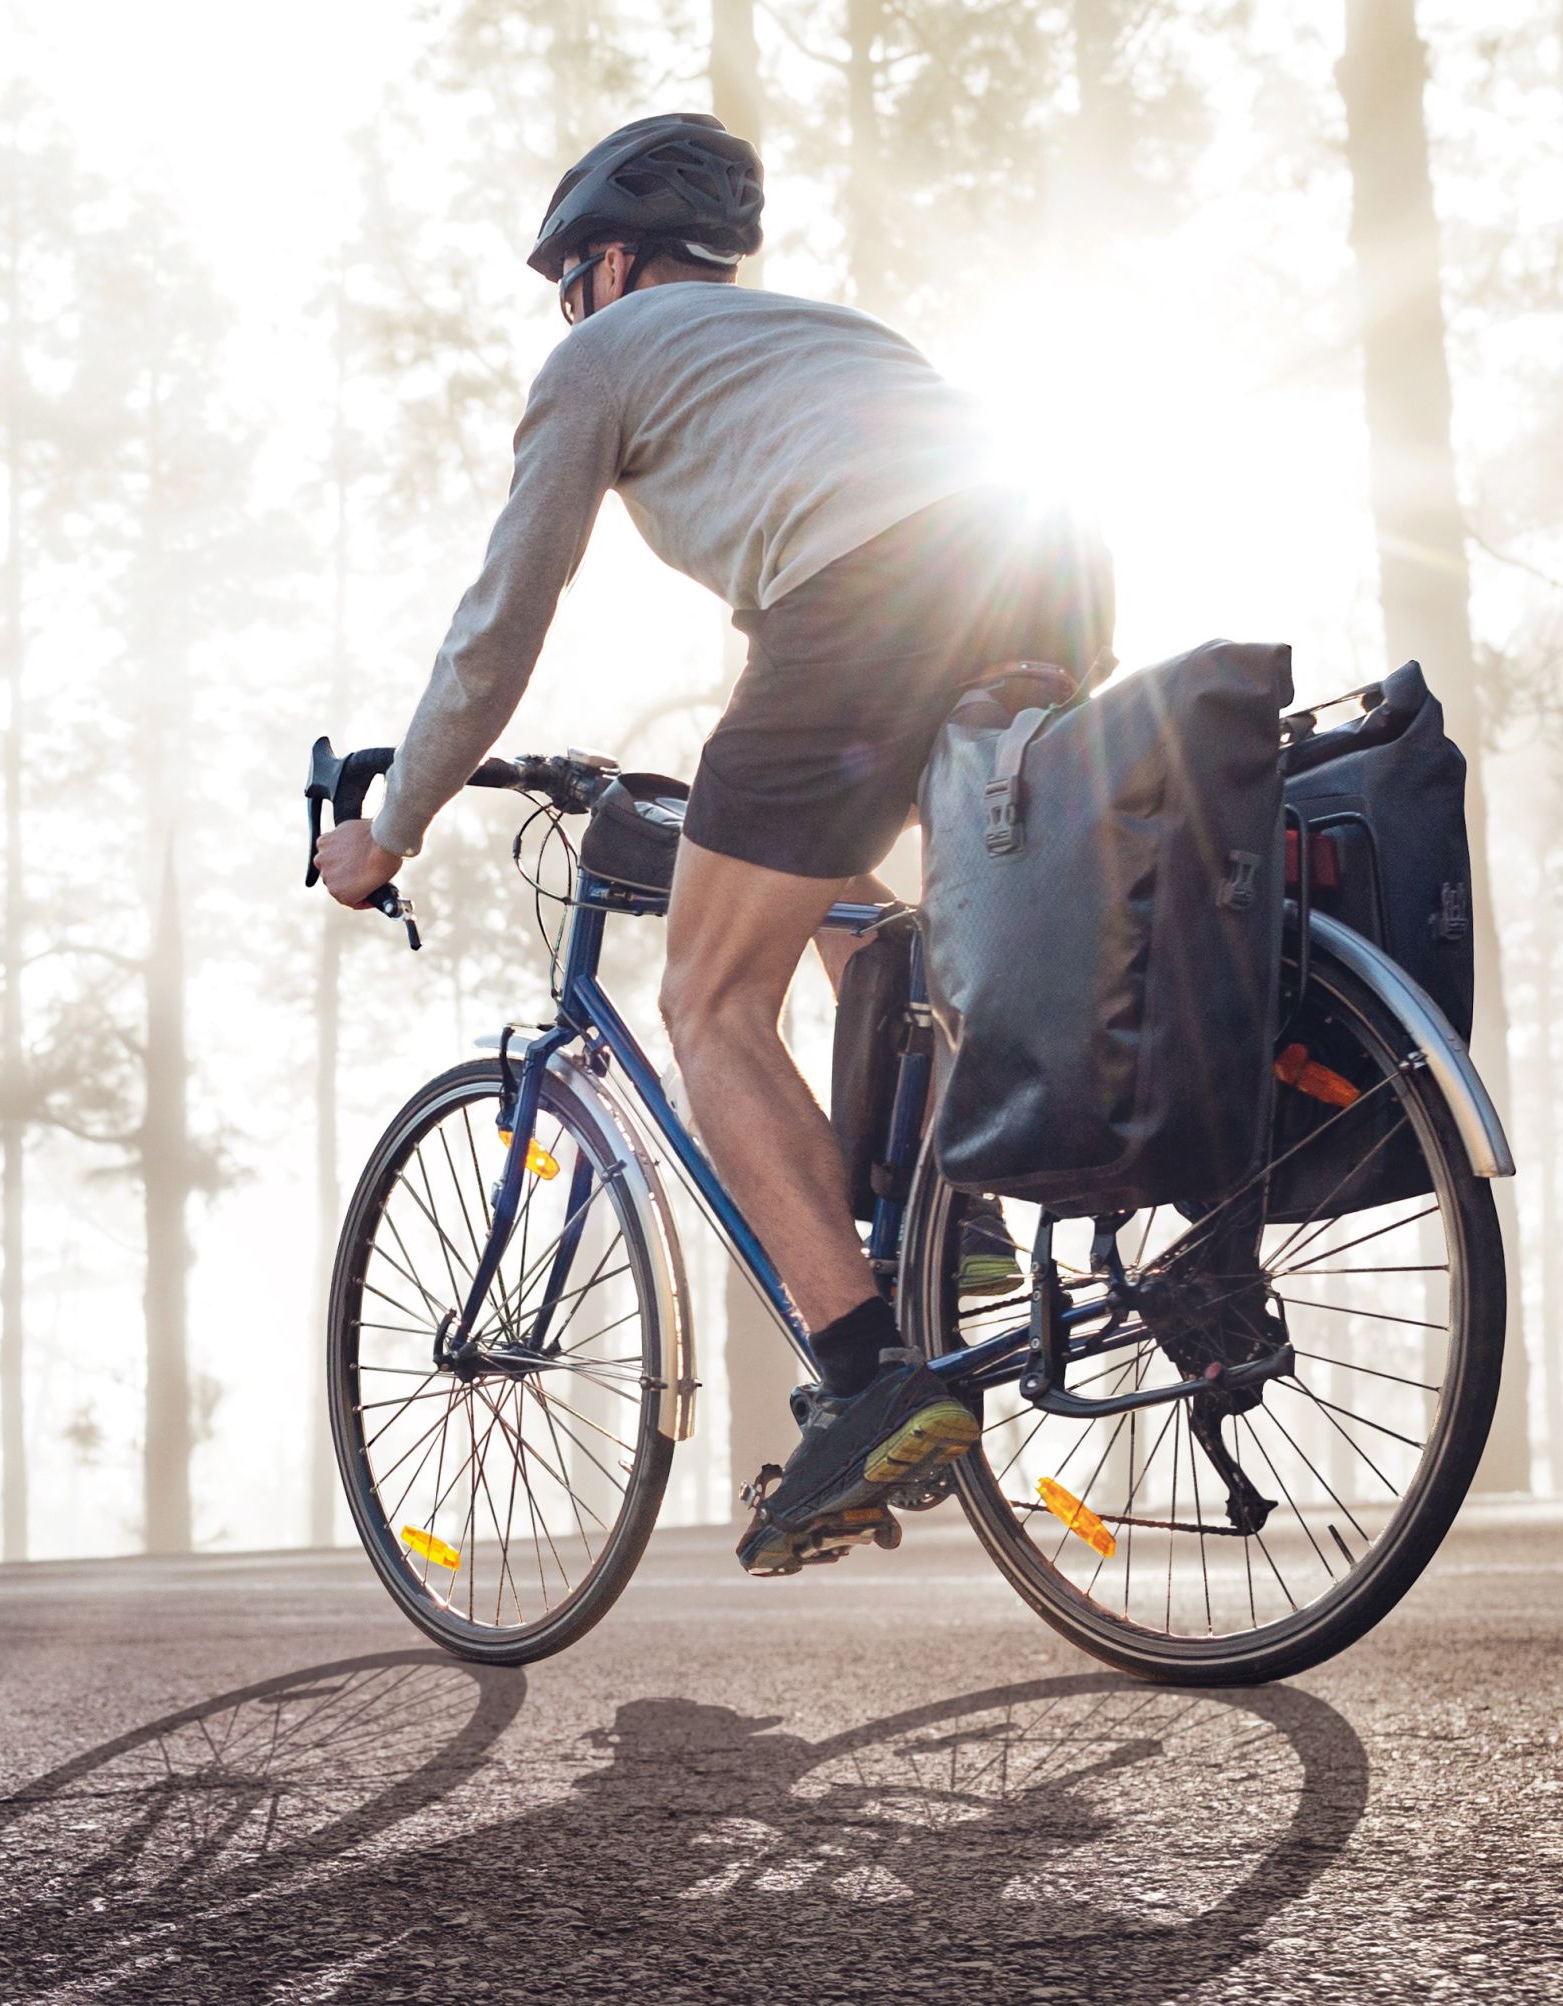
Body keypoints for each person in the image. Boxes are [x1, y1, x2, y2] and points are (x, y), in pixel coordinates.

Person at [305, 113, 1111, 1576]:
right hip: (1048, 570)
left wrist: (390, 821)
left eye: (569, 281)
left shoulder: (601, 359)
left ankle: (869, 1377)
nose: (568, 309)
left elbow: (500, 630)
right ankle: (962, 1216)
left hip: (867, 599)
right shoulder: (821, 335)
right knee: (880, 918)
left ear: (614, 263)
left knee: (706, 999)